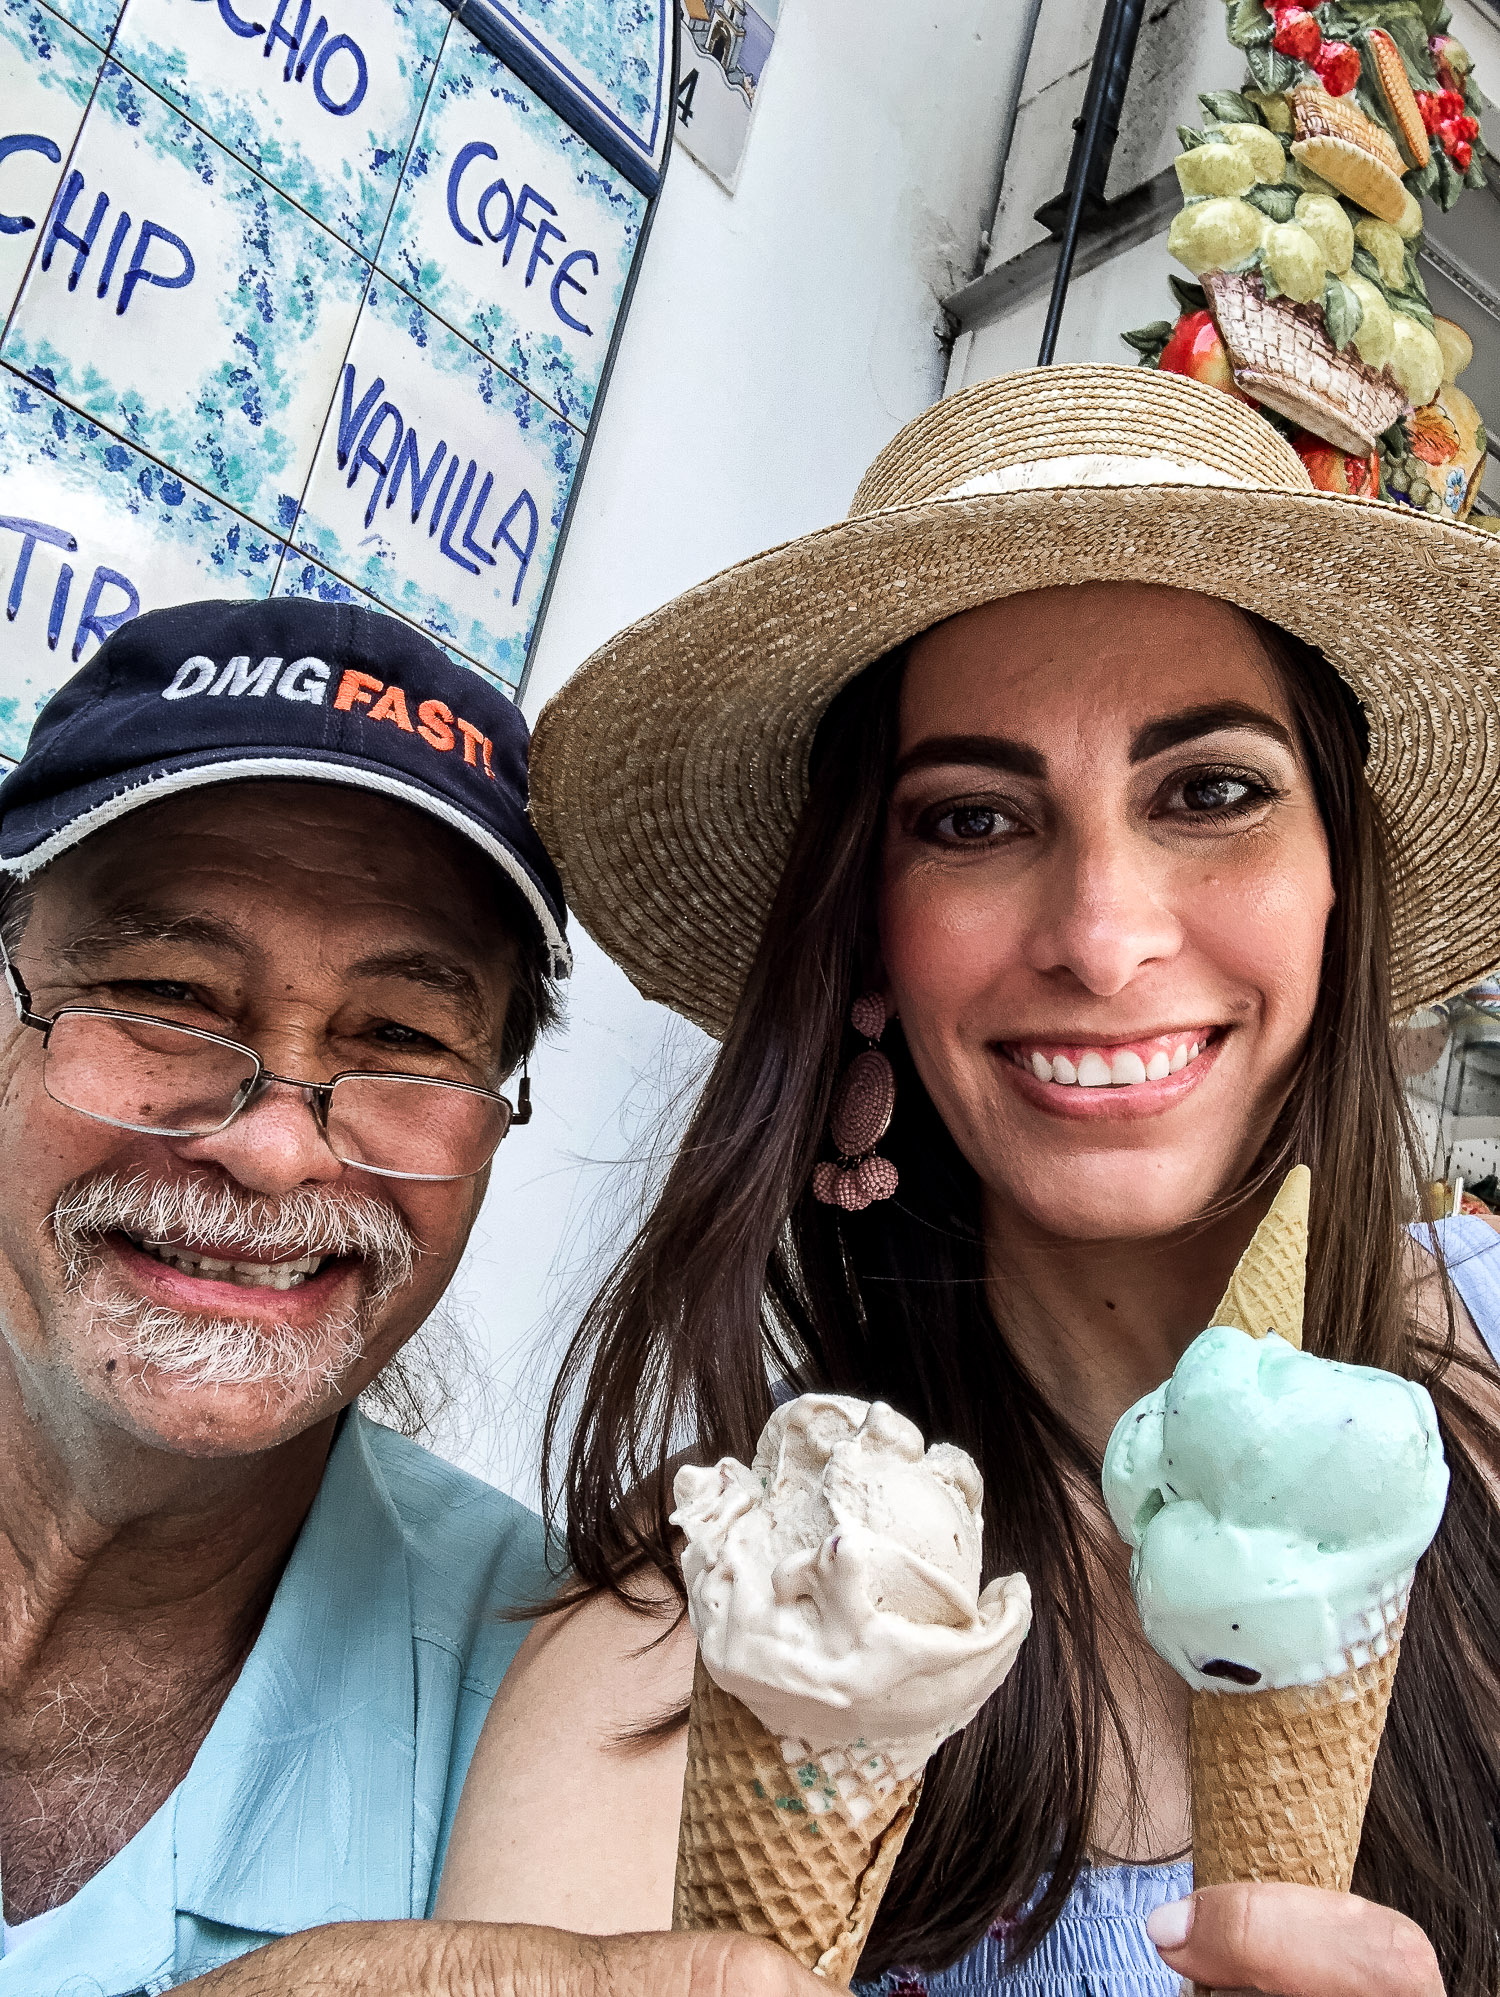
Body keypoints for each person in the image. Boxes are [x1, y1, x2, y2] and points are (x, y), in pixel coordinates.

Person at [436, 365, 1500, 1997]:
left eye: (1210, 791)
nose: (1102, 932)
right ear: (866, 935)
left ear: (1338, 882)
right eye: (977, 818)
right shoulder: (726, 1619)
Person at [0, 598, 815, 1997]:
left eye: (401, 1037)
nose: (274, 1146)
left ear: (496, 1116)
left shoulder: (568, 1701)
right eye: (165, 991)